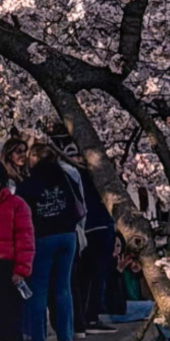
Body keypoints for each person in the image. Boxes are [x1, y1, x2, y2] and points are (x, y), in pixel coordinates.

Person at [18, 144, 84, 341]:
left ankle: (38, 336)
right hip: (68, 235)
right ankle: (66, 335)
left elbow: (22, 210)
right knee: (63, 289)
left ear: (35, 157)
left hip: (43, 237)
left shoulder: (30, 182)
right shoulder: (66, 177)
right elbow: (79, 203)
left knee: (39, 290)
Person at [1, 163, 35, 341]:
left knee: (10, 320)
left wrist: (21, 270)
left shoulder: (17, 205)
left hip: (8, 268)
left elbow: (25, 241)